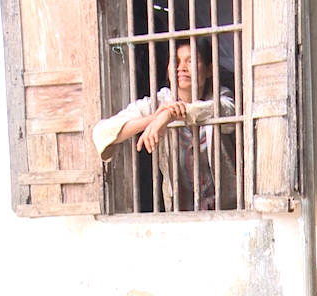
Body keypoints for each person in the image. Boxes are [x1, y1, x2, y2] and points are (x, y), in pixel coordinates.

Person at [92, 38, 237, 211]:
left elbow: (227, 111)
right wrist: (155, 118)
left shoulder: (220, 96)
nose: (181, 68)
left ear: (209, 69)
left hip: (225, 210)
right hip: (179, 212)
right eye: (175, 61)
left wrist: (171, 115)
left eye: (190, 61)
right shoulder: (160, 102)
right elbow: (101, 133)